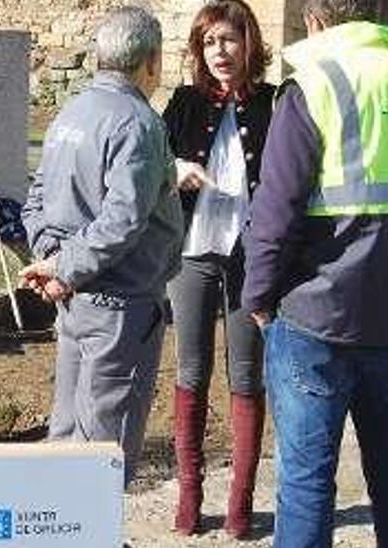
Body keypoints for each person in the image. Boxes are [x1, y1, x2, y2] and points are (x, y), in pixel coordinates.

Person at [242, 0, 388, 545]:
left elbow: (274, 218)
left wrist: (258, 297)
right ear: (380, 15)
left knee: (307, 479)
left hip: (314, 322)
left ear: (316, 21)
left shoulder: (313, 89)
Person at [18, 6, 184, 486]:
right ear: (151, 62)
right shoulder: (137, 123)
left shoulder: (73, 112)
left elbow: (38, 198)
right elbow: (122, 220)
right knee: (104, 446)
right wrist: (63, 268)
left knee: (68, 431)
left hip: (76, 300)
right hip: (118, 305)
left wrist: (53, 260)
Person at [160, 0, 274, 538]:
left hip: (252, 259)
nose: (220, 52)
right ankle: (189, 498)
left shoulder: (276, 104)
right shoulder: (183, 102)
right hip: (193, 253)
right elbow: (146, 164)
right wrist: (174, 169)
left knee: (247, 377)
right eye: (209, 43)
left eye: (228, 40)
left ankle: (240, 506)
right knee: (190, 371)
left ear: (248, 43)